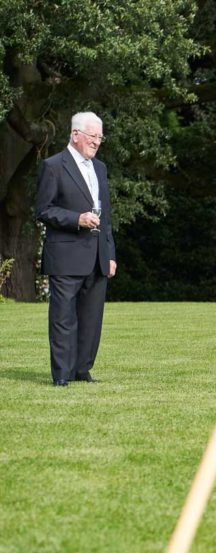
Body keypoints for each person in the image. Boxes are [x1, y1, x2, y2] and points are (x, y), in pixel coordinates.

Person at [36, 112, 117, 386]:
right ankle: (61, 375)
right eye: (93, 136)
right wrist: (76, 219)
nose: (97, 142)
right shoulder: (53, 166)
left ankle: (82, 371)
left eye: (100, 137)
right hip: (66, 254)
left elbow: (105, 217)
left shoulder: (101, 168)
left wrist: (111, 254)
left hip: (97, 256)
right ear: (75, 134)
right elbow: (44, 209)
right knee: (63, 318)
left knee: (91, 319)